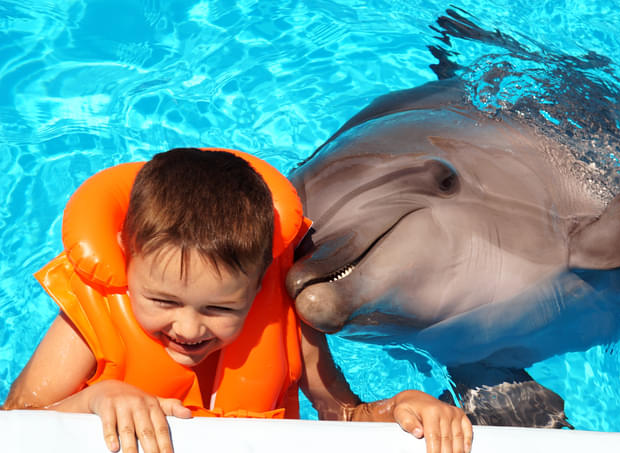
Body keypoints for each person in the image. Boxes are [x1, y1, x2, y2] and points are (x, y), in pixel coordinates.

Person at [3, 148, 473, 453]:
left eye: (219, 309)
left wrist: (404, 406)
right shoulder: (93, 317)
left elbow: (344, 414)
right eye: (162, 300)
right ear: (126, 257)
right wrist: (96, 399)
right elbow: (16, 422)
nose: (187, 329)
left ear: (259, 281)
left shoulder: (287, 324)